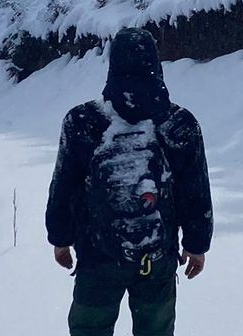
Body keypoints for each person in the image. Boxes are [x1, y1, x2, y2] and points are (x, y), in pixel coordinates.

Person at [46, 27, 214, 336]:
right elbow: (196, 191)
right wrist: (196, 245)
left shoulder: (82, 121)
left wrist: (60, 238)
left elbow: (64, 185)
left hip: (97, 256)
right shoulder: (180, 124)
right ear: (156, 65)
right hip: (157, 257)